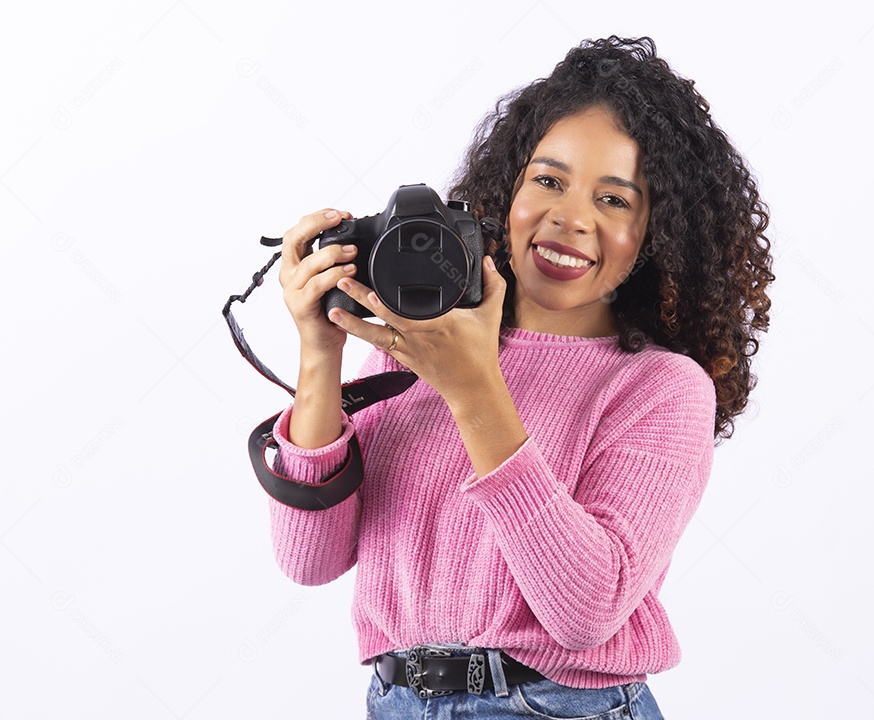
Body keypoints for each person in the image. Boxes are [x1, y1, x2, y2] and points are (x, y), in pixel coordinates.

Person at [264, 36, 773, 718]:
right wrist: (319, 355)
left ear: (655, 234)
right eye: (550, 180)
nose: (571, 219)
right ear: (510, 188)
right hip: (399, 702)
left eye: (615, 201)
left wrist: (473, 390)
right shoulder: (412, 344)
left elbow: (584, 610)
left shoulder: (660, 388)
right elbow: (310, 560)